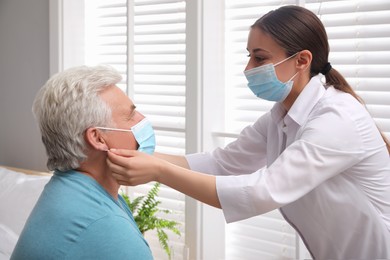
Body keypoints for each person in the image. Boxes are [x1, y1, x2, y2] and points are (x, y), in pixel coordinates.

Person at [106, 5, 390, 260]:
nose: (248, 69)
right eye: (249, 56)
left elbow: (263, 191)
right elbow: (223, 163)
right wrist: (141, 155)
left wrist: (158, 171)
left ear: (302, 60)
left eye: (260, 58)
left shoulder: (337, 118)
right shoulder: (281, 115)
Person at [11, 65, 154, 259]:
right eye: (130, 116)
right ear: (97, 138)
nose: (142, 120)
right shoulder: (105, 225)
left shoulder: (71, 190)